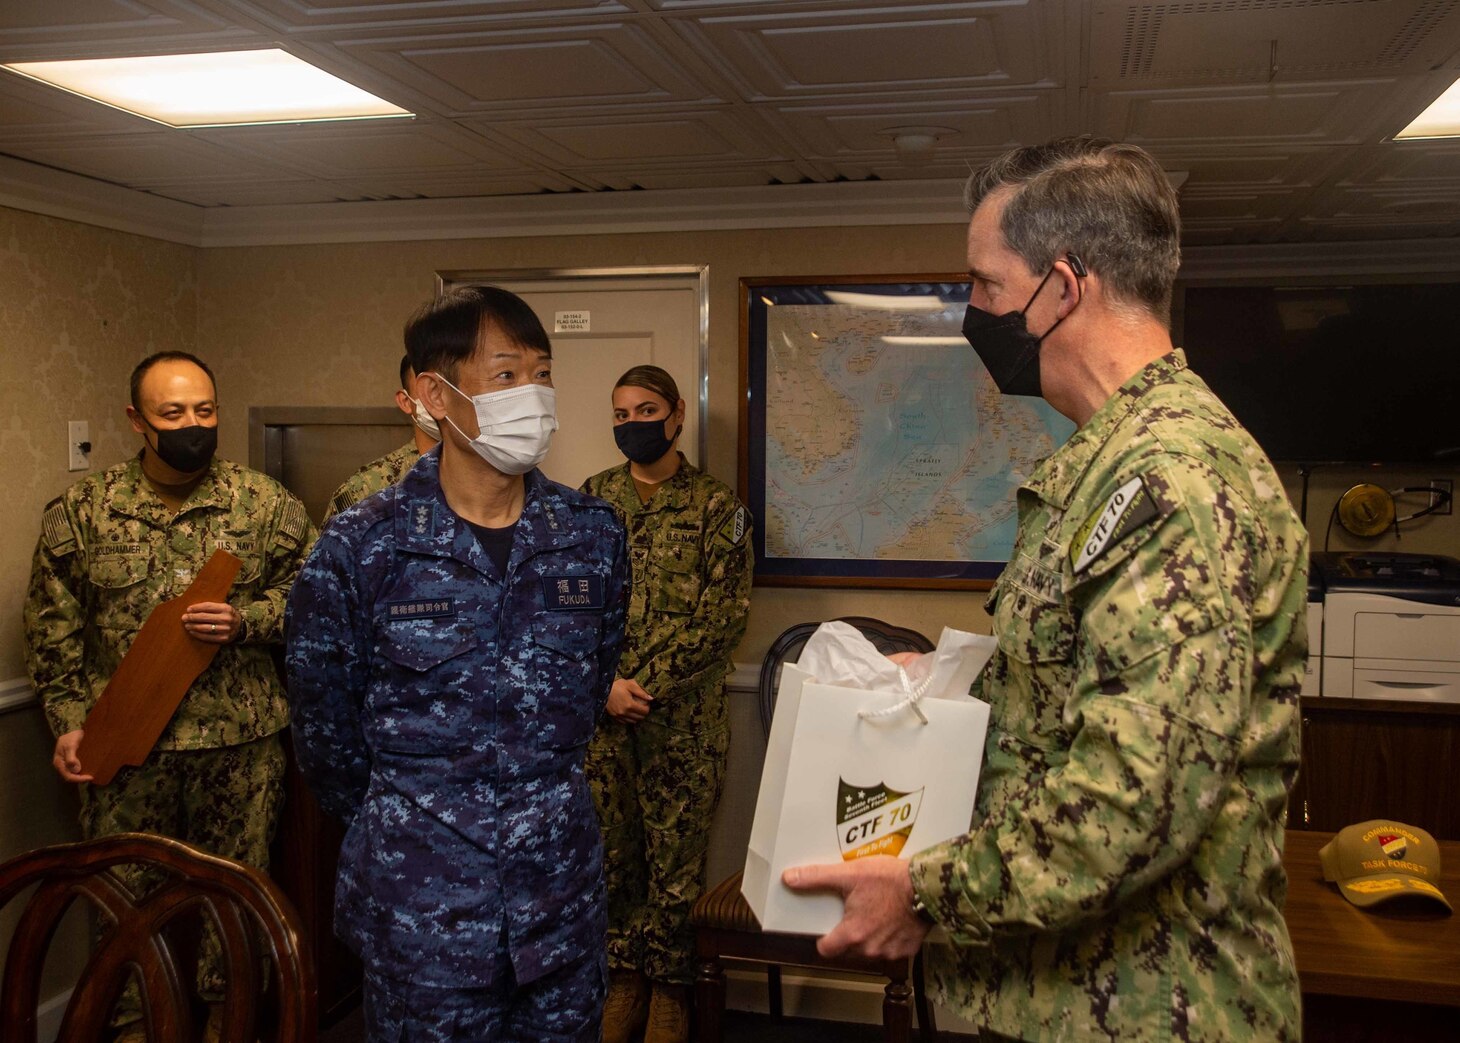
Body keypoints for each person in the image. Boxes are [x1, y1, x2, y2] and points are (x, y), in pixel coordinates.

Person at [783, 136, 1309, 1042]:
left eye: (986, 285)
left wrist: (925, 893)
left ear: (1063, 288)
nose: (974, 309)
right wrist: (953, 677)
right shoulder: (1113, 462)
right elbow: (1085, 689)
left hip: (1148, 1007)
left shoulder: (1172, 480)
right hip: (1058, 995)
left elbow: (1136, 794)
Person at [285, 285, 630, 1042]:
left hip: (560, 909)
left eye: (542, 373)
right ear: (436, 395)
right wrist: (424, 817)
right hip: (423, 918)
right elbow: (326, 739)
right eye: (507, 375)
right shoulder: (361, 547)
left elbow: (589, 689)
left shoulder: (592, 535)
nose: (533, 395)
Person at [23, 350, 315, 1041]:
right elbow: (51, 630)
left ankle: (229, 1027)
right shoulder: (83, 512)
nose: (195, 424)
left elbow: (314, 599)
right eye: (174, 413)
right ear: (136, 420)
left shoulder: (265, 503)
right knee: (122, 911)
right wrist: (69, 723)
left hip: (238, 747)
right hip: (126, 752)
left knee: (237, 910)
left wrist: (248, 620)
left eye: (206, 410)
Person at [580, 365, 753, 1043]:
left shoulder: (718, 508)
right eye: (621, 414)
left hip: (682, 726)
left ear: (678, 414)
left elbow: (722, 620)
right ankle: (625, 978)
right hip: (605, 722)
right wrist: (605, 687)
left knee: (675, 868)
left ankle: (672, 989)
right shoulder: (591, 502)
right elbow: (570, 607)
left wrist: (641, 685)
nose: (632, 424)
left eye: (645, 410)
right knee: (615, 860)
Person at [323, 354, 441, 521]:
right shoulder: (366, 489)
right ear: (406, 402)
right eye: (430, 388)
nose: (440, 401)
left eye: (450, 388)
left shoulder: (484, 478)